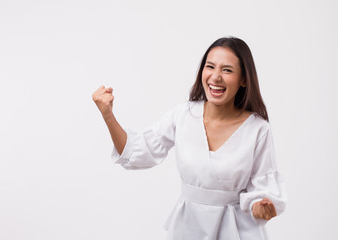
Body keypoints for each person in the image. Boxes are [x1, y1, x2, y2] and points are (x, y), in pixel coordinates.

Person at [92, 36, 287, 240]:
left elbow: (264, 190)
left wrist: (261, 207)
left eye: (227, 70)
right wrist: (108, 115)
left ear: (244, 79)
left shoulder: (258, 129)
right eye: (210, 67)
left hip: (237, 232)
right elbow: (136, 153)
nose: (216, 77)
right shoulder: (183, 115)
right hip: (188, 229)